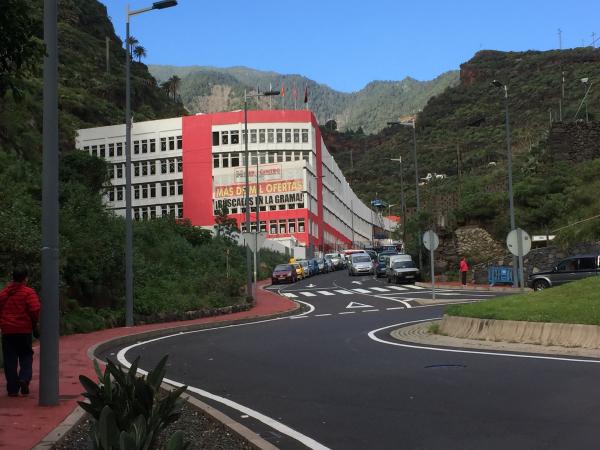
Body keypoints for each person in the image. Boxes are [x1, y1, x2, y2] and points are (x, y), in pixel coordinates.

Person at [0, 266, 41, 397]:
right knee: (26, 355)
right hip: (24, 330)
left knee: (10, 359)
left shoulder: (4, 293)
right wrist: (34, 322)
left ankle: (12, 389)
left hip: (7, 331)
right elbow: (35, 309)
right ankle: (24, 378)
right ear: (25, 278)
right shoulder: (28, 292)